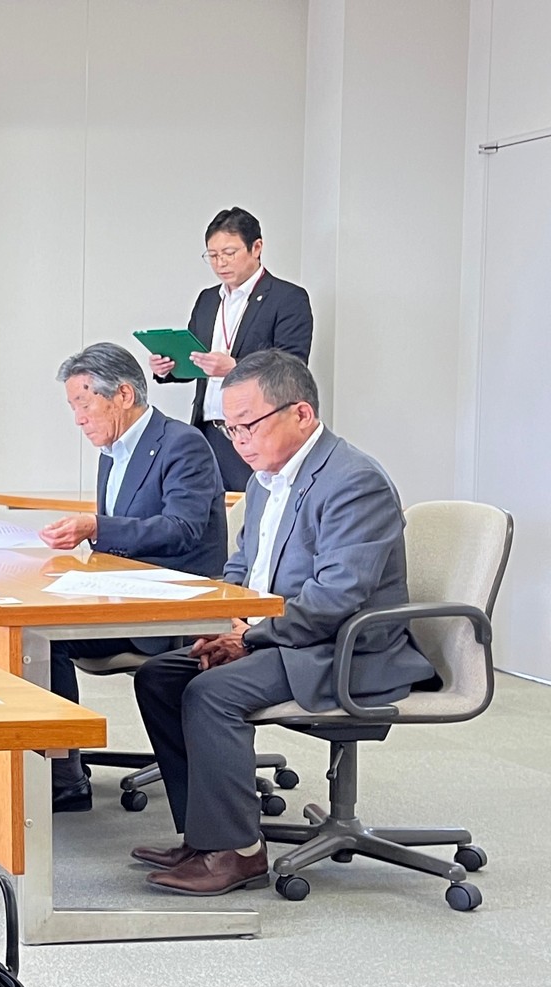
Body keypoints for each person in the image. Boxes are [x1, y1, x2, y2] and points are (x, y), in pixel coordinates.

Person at [131, 350, 433, 896]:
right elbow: (241, 567)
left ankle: (238, 851)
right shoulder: (264, 480)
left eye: (248, 425)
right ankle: (203, 837)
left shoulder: (353, 481)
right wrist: (231, 623)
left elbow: (336, 598)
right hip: (280, 638)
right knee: (160, 677)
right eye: (230, 428)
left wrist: (249, 636)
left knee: (211, 693)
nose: (238, 441)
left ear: (302, 414)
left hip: (343, 648)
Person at [37, 343, 227, 812]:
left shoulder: (182, 443)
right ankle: (58, 767)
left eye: (83, 404)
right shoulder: (112, 451)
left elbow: (182, 529)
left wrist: (96, 527)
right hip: (122, 595)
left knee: (42, 639)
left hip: (170, 608)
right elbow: (120, 539)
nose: (78, 419)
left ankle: (63, 779)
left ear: (123, 394)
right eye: (72, 407)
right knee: (31, 634)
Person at [148, 207, 314, 492]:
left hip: (256, 431)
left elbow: (293, 367)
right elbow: (197, 357)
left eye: (229, 253)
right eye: (212, 255)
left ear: (256, 248)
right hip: (206, 431)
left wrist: (236, 367)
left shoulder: (288, 298)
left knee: (249, 509)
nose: (220, 263)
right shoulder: (208, 299)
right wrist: (168, 367)